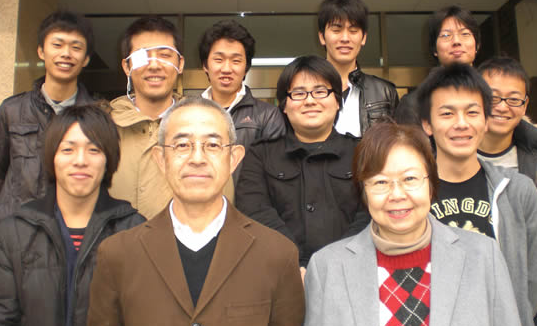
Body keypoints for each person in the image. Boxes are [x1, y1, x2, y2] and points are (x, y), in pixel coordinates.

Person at [88, 97, 304, 326]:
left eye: (212, 145)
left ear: (233, 158)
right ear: (161, 159)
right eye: (182, 145)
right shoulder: (117, 255)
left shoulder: (278, 255)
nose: (197, 158)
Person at [303, 122, 523, 326]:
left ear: (431, 184)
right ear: (364, 191)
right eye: (380, 182)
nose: (397, 195)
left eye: (410, 179)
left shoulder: (483, 257)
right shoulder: (327, 268)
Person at [0, 104, 145, 326]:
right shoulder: (15, 231)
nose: (80, 160)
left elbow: (142, 321)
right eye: (68, 149)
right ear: (52, 157)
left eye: (94, 150)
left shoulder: (133, 231)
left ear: (109, 159)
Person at [417, 63, 537, 326]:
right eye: (447, 113)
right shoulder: (410, 195)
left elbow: (533, 282)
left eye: (472, 112)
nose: (461, 123)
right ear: (427, 124)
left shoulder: (518, 191)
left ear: (486, 121)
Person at [236, 56, 370, 277]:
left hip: (351, 273)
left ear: (337, 101)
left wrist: (337, 263)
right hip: (280, 275)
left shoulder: (363, 153)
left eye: (320, 91)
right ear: (284, 105)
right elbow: (254, 211)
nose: (310, 101)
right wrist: (294, 263)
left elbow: (370, 213)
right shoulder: (260, 154)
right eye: (298, 93)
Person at [0, 10, 94, 224]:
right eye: (57, 45)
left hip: (72, 229)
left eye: (76, 47)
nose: (66, 54)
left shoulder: (96, 115)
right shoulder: (12, 110)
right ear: (41, 51)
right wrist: (13, 208)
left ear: (86, 59)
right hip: (17, 229)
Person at [477, 57, 537, 326]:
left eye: (513, 99)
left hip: (532, 313)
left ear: (524, 105)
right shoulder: (447, 158)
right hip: (465, 307)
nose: (502, 106)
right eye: (493, 97)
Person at [109, 16, 185, 218]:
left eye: (164, 55)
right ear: (127, 67)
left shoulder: (200, 124)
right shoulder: (101, 126)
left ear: (180, 63)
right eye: (142, 56)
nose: (154, 65)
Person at [198, 20, 285, 182]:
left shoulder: (268, 116)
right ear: (205, 65)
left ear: (246, 68)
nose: (226, 69)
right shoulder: (189, 113)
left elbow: (275, 175)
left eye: (236, 61)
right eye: (219, 59)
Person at [317, 0, 398, 137]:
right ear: (322, 37)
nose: (345, 38)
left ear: (364, 38)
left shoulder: (384, 92)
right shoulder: (305, 91)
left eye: (353, 31)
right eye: (336, 30)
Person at [395, 4, 480, 125]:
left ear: (477, 45)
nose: (456, 41)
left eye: (465, 34)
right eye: (446, 35)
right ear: (434, 49)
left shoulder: (496, 95)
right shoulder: (414, 103)